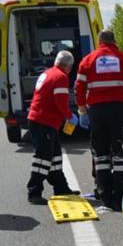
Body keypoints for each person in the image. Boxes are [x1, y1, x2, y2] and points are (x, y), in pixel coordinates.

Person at [75, 30, 123, 210]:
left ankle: (105, 196)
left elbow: (79, 87)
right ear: (115, 41)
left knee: (101, 154)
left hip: (97, 112)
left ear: (99, 42)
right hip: (119, 110)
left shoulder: (88, 60)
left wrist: (82, 110)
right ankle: (120, 196)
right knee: (121, 153)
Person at [26, 50, 81, 205]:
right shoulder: (61, 77)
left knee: (55, 156)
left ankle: (61, 187)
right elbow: (60, 102)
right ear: (69, 66)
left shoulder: (48, 73)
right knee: (42, 158)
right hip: (44, 121)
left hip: (40, 119)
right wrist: (70, 116)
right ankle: (34, 191)